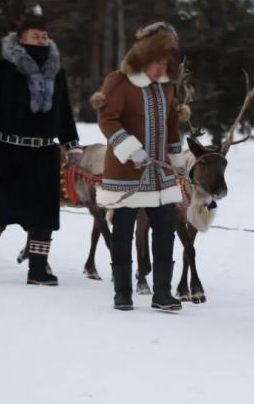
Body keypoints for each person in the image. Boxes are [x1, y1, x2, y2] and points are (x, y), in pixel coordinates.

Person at [0, 15, 81, 285]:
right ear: (20, 39)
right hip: (10, 150)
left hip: (45, 151)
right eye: (35, 36)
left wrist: (71, 145)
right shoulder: (4, 69)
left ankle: (38, 269)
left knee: (45, 211)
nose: (41, 41)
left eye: (44, 36)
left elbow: (64, 110)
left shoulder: (57, 71)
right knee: (3, 206)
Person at [93, 22, 184, 312]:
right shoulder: (119, 82)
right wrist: (130, 149)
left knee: (166, 229)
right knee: (122, 231)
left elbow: (172, 123)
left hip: (160, 174)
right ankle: (122, 293)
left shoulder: (167, 86)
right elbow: (107, 119)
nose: (160, 69)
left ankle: (162, 293)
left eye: (165, 63)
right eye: (156, 62)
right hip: (126, 172)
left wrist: (176, 158)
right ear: (143, 56)